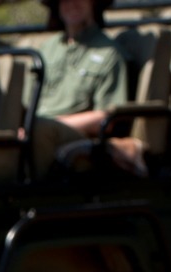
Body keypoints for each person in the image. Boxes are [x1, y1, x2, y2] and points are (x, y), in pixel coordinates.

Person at [33, 0, 147, 176]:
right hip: (37, 126)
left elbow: (106, 118)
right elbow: (26, 103)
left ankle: (37, 196)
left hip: (76, 134)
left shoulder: (109, 53)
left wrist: (52, 125)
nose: (71, 3)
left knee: (39, 130)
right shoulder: (46, 50)